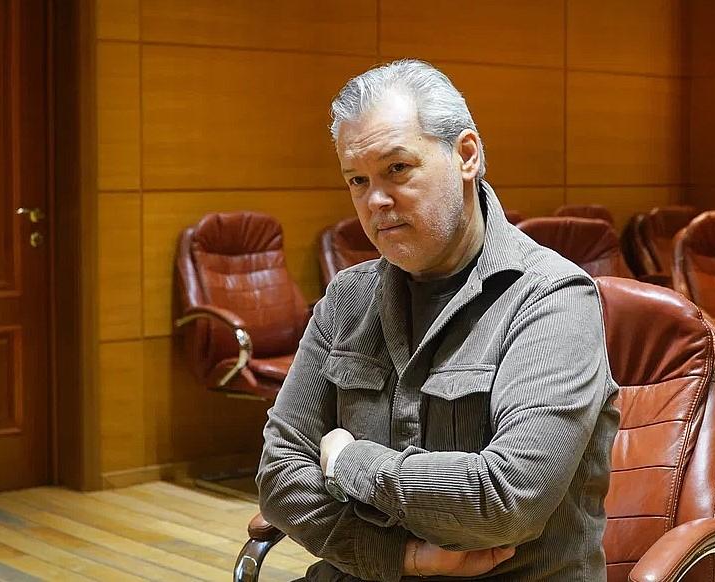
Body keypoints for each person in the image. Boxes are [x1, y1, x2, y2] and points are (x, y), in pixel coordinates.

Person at [257, 59, 619, 581]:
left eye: (397, 168)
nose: (376, 200)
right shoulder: (347, 298)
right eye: (357, 180)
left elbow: (508, 499)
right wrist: (405, 558)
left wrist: (348, 462)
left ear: (466, 155)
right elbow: (279, 475)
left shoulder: (550, 298)